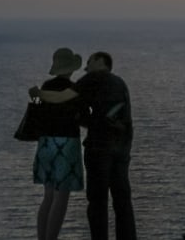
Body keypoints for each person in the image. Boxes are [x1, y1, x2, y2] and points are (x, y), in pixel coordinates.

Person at [31, 51, 137, 240]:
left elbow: (45, 105)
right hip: (108, 146)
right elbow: (79, 111)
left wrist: (37, 94)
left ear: (99, 60)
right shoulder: (120, 83)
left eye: (88, 62)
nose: (85, 68)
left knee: (88, 200)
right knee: (121, 200)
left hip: (51, 144)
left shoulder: (62, 85)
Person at [33, 47, 85, 240]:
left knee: (48, 196)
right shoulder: (74, 90)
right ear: (71, 68)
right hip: (67, 143)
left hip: (46, 143)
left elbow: (37, 110)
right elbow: (82, 115)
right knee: (61, 197)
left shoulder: (45, 87)